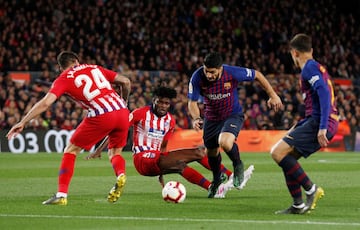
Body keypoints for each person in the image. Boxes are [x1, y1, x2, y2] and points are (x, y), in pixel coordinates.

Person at [6, 51, 131, 205]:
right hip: (123, 113)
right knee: (115, 153)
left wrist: (23, 121)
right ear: (77, 61)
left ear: (61, 67)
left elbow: (46, 103)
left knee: (70, 150)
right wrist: (123, 103)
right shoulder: (94, 67)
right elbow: (125, 81)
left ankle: (61, 195)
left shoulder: (64, 78)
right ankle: (120, 175)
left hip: (102, 114)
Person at [87, 86, 255, 198]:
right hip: (141, 160)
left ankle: (217, 189)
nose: (163, 105)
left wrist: (161, 170)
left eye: (166, 103)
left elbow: (164, 147)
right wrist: (99, 150)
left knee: (186, 162)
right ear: (154, 100)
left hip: (156, 159)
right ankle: (230, 178)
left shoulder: (170, 121)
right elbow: (117, 130)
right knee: (195, 154)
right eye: (160, 101)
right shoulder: (139, 113)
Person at [188, 52, 282, 198]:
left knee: (224, 142)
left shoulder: (232, 72)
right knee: (211, 152)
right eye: (207, 71)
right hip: (211, 118)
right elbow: (192, 102)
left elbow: (257, 74)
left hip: (232, 115)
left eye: (212, 72)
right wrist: (195, 118)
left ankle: (237, 165)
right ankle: (217, 179)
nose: (209, 75)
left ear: (220, 69)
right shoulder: (197, 77)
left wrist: (273, 95)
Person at [270, 34, 339, 214]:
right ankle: (298, 204)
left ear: (294, 53)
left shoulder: (308, 67)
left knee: (277, 152)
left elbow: (324, 93)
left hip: (320, 121)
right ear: (311, 50)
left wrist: (322, 126)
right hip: (314, 120)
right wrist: (300, 124)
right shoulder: (316, 67)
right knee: (287, 156)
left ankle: (311, 190)